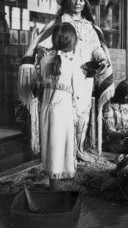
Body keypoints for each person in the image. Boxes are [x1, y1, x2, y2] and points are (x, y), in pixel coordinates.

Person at [19, 0, 114, 162]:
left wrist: (102, 59)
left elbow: (96, 48)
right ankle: (63, 154)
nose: (78, 2)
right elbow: (44, 43)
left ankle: (78, 149)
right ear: (68, 1)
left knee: (83, 112)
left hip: (84, 75)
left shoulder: (90, 26)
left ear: (85, 3)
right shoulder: (59, 22)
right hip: (62, 75)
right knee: (64, 114)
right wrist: (42, 51)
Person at [38, 23, 84, 190]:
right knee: (59, 146)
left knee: (50, 146)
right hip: (62, 110)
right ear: (72, 42)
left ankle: (53, 183)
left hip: (46, 108)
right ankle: (56, 188)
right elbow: (78, 91)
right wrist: (79, 112)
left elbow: (40, 83)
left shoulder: (44, 61)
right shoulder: (73, 64)